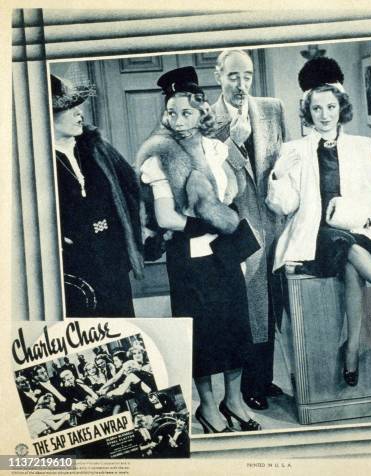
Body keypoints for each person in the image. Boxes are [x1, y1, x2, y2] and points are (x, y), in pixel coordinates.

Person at [266, 57, 371, 386]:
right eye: (316, 109)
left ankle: (351, 347)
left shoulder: (362, 146)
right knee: (342, 245)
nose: (324, 115)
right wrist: (279, 174)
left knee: (349, 256)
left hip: (354, 227)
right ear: (308, 112)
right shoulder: (294, 149)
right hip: (313, 234)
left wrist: (348, 214)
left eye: (330, 107)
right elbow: (284, 206)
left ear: (340, 107)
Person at [136, 66, 261, 433]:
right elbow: (166, 217)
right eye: (171, 113)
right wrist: (210, 222)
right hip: (188, 258)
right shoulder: (159, 157)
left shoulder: (217, 148)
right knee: (202, 335)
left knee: (237, 327)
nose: (177, 121)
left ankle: (233, 401)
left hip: (225, 253)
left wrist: (224, 213)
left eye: (186, 112)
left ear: (202, 110)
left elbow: (233, 191)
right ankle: (208, 408)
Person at [210, 49, 287, 410]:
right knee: (248, 307)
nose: (241, 84)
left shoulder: (272, 109)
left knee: (273, 303)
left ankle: (265, 378)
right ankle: (247, 387)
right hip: (237, 227)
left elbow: (283, 161)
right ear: (218, 76)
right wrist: (234, 142)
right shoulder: (206, 119)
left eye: (247, 76)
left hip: (274, 222)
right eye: (233, 76)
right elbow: (212, 178)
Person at [51, 74, 143, 317]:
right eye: (69, 108)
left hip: (112, 259)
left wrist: (136, 236)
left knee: (122, 333)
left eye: (78, 107)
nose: (79, 114)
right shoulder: (36, 161)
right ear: (47, 115)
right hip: (73, 268)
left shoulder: (95, 148)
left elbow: (132, 188)